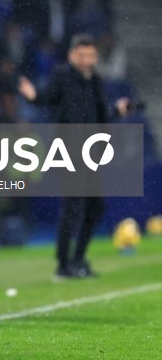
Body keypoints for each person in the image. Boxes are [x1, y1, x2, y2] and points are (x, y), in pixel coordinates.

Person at [19, 33, 128, 279]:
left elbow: (102, 114)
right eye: (82, 55)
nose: (86, 60)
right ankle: (63, 263)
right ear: (72, 56)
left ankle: (77, 259)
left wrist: (118, 111)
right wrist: (34, 96)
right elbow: (47, 98)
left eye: (90, 55)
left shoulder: (96, 81)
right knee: (73, 207)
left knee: (94, 207)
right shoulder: (63, 76)